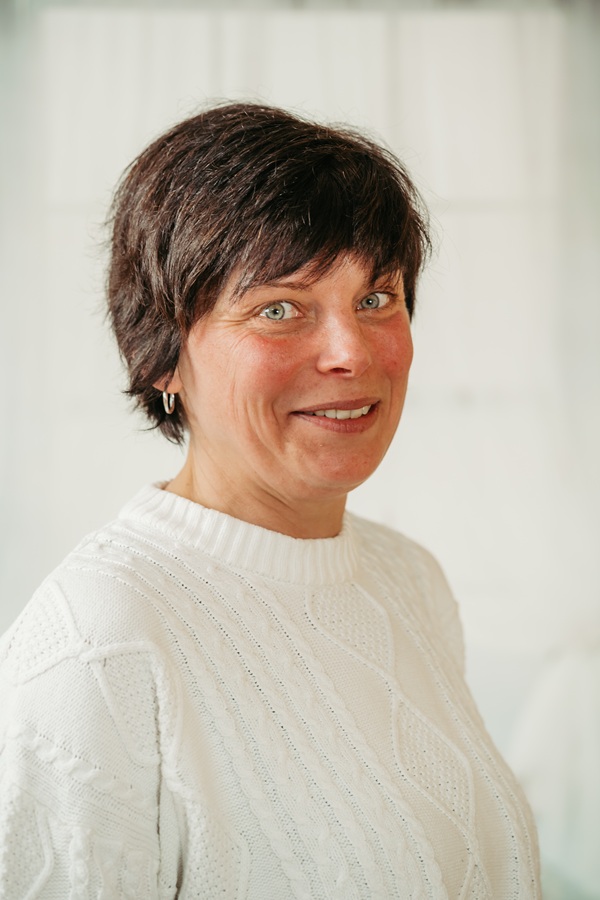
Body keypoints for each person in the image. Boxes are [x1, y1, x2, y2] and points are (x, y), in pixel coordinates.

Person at [0, 102, 540, 898]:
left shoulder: (409, 580)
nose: (351, 352)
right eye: (278, 309)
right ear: (159, 354)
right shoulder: (98, 639)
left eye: (376, 298)